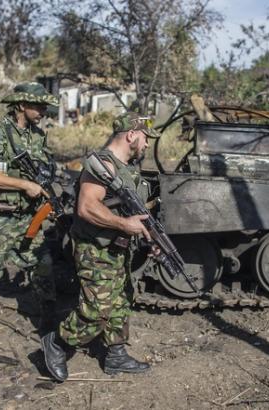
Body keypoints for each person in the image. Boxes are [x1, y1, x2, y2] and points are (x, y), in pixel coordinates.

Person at [41, 112, 158, 381]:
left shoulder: (128, 169)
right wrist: (123, 224)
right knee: (96, 309)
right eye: (145, 138)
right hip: (95, 249)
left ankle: (116, 355)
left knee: (121, 299)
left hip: (119, 249)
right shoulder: (102, 166)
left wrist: (149, 239)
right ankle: (57, 343)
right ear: (131, 135)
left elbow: (136, 217)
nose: (147, 144)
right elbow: (86, 207)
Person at [0, 82, 60, 344]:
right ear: (21, 105)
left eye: (44, 106)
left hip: (29, 217)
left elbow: (44, 173)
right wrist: (24, 185)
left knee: (42, 265)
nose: (43, 110)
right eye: (38, 105)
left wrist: (47, 196)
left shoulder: (37, 136)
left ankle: (48, 317)